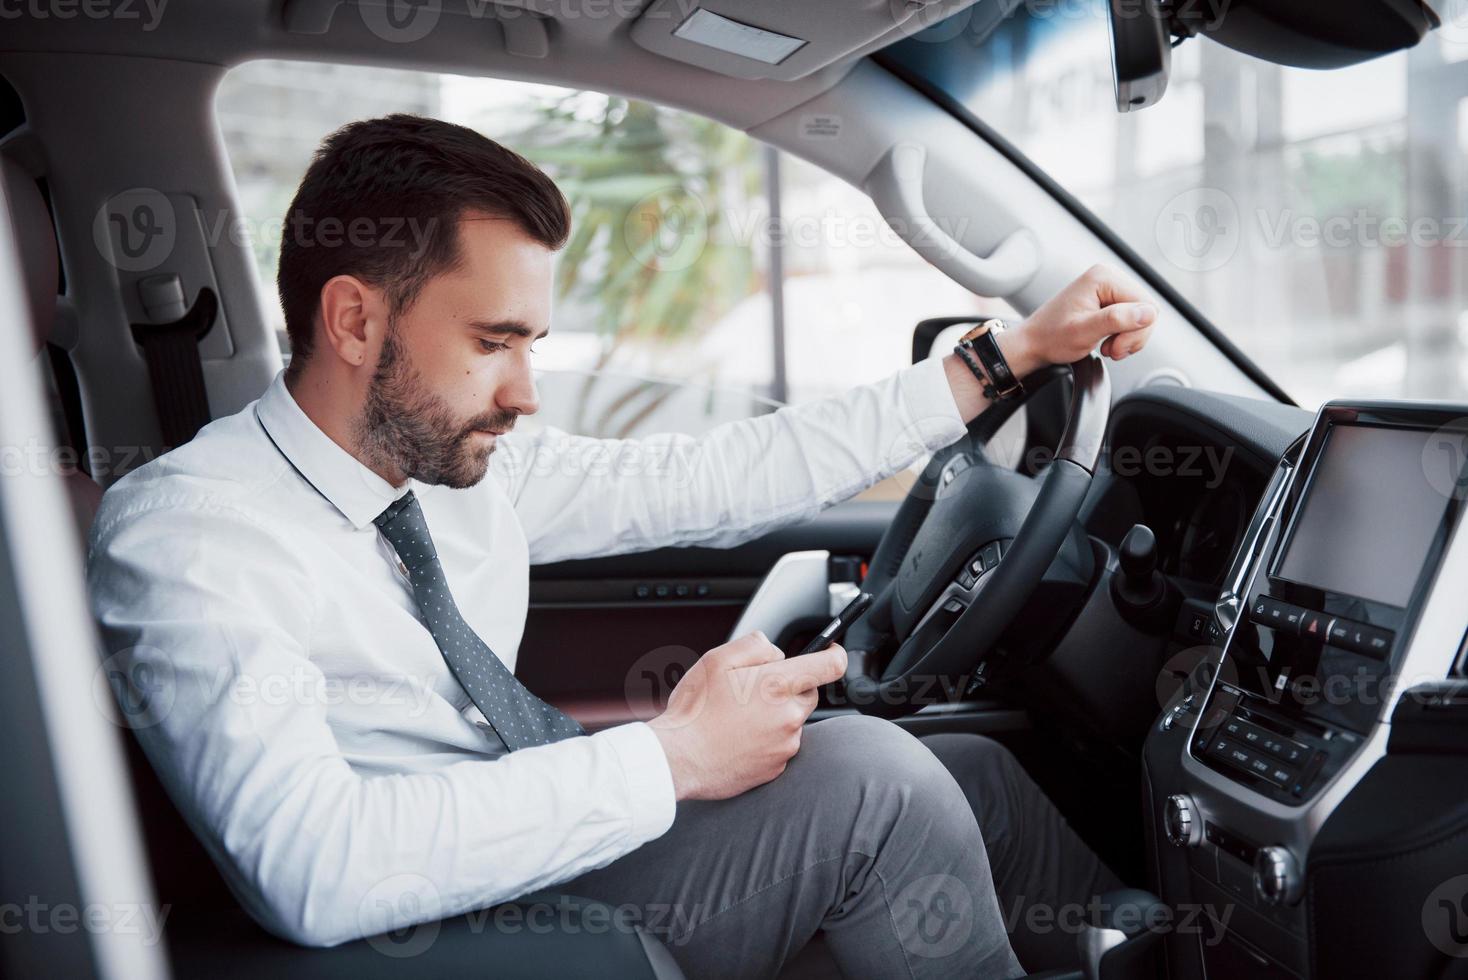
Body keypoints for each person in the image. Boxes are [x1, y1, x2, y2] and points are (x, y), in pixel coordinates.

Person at [88, 114, 1153, 978]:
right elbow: (312, 864)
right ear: (356, 322)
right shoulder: (192, 534)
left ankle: (1144, 945)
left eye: (531, 343)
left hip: (530, 845)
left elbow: (717, 476)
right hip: (436, 920)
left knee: (961, 764)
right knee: (878, 778)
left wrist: (1005, 355)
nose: (524, 390)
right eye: (492, 342)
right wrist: (673, 754)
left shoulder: (456, 467)